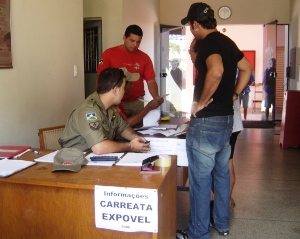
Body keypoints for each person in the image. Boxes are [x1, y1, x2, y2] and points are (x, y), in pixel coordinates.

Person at [177, 3, 252, 239]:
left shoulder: (207, 43)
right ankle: (222, 223)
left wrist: (201, 102)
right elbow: (247, 68)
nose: (191, 29)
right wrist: (234, 93)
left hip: (207, 123)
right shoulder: (227, 42)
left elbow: (216, 71)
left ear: (195, 24)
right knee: (221, 174)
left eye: (190, 25)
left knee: (199, 181)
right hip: (226, 120)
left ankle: (198, 232)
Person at [59, 68, 150, 154]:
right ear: (115, 90)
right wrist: (130, 146)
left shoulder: (111, 108)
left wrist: (137, 139)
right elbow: (99, 147)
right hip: (78, 161)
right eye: (123, 88)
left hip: (96, 160)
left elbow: (123, 128)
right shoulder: (88, 111)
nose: (124, 92)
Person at [96, 24, 163, 118]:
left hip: (137, 102)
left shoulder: (145, 58)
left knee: (139, 129)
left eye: (138, 42)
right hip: (117, 102)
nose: (135, 45)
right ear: (124, 38)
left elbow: (150, 80)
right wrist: (98, 102)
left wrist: (156, 97)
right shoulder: (108, 54)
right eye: (132, 41)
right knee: (118, 129)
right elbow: (101, 79)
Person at [262, 58, 277, 123]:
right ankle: (266, 120)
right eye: (272, 62)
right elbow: (264, 81)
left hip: (273, 90)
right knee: (267, 105)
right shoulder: (267, 70)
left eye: (274, 62)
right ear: (270, 63)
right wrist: (270, 87)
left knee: (274, 105)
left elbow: (274, 79)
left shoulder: (274, 70)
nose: (273, 63)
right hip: (268, 90)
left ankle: (273, 119)